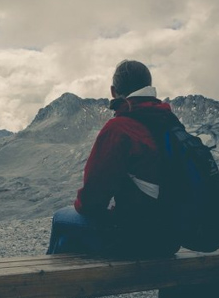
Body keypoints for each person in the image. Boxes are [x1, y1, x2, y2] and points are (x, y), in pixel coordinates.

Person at [47, 60, 181, 258]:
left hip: (137, 237)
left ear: (113, 91)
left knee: (61, 218)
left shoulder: (119, 129)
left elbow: (92, 200)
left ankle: (52, 275)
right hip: (172, 238)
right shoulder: (169, 122)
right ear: (150, 87)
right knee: (70, 236)